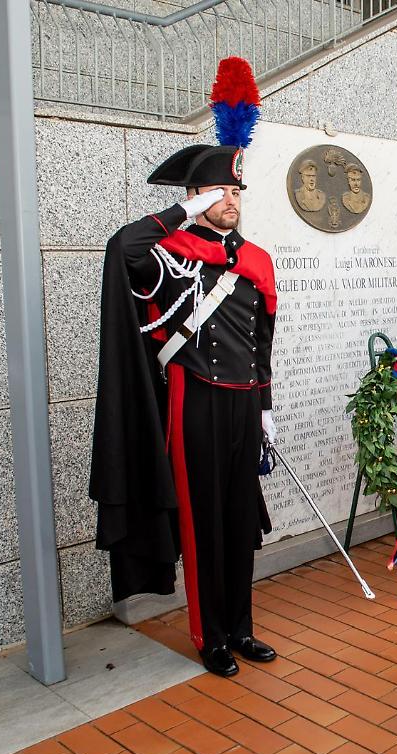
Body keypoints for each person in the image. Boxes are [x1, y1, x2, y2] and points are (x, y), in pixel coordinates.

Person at [91, 142, 279, 678]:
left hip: (244, 403)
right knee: (203, 523)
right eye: (220, 191)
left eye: (237, 190)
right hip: (193, 399)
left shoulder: (255, 259)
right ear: (196, 197)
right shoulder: (168, 254)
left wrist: (265, 406)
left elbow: (261, 341)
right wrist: (182, 216)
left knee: (239, 519)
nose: (232, 199)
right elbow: (120, 247)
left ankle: (241, 626)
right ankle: (210, 635)